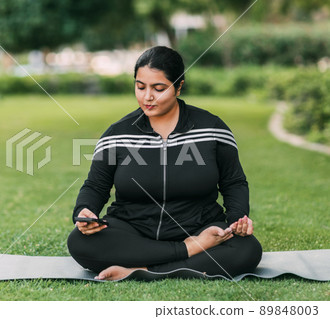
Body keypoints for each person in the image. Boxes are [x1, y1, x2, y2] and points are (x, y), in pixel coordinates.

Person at [67, 46, 262, 281]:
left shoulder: (212, 128)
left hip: (199, 225)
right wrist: (84, 211)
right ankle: (188, 253)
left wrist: (236, 220)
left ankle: (143, 270)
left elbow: (234, 182)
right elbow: (96, 186)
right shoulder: (117, 134)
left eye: (158, 88)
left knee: (247, 249)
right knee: (79, 242)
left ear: (179, 87)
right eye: (140, 87)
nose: (147, 96)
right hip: (134, 229)